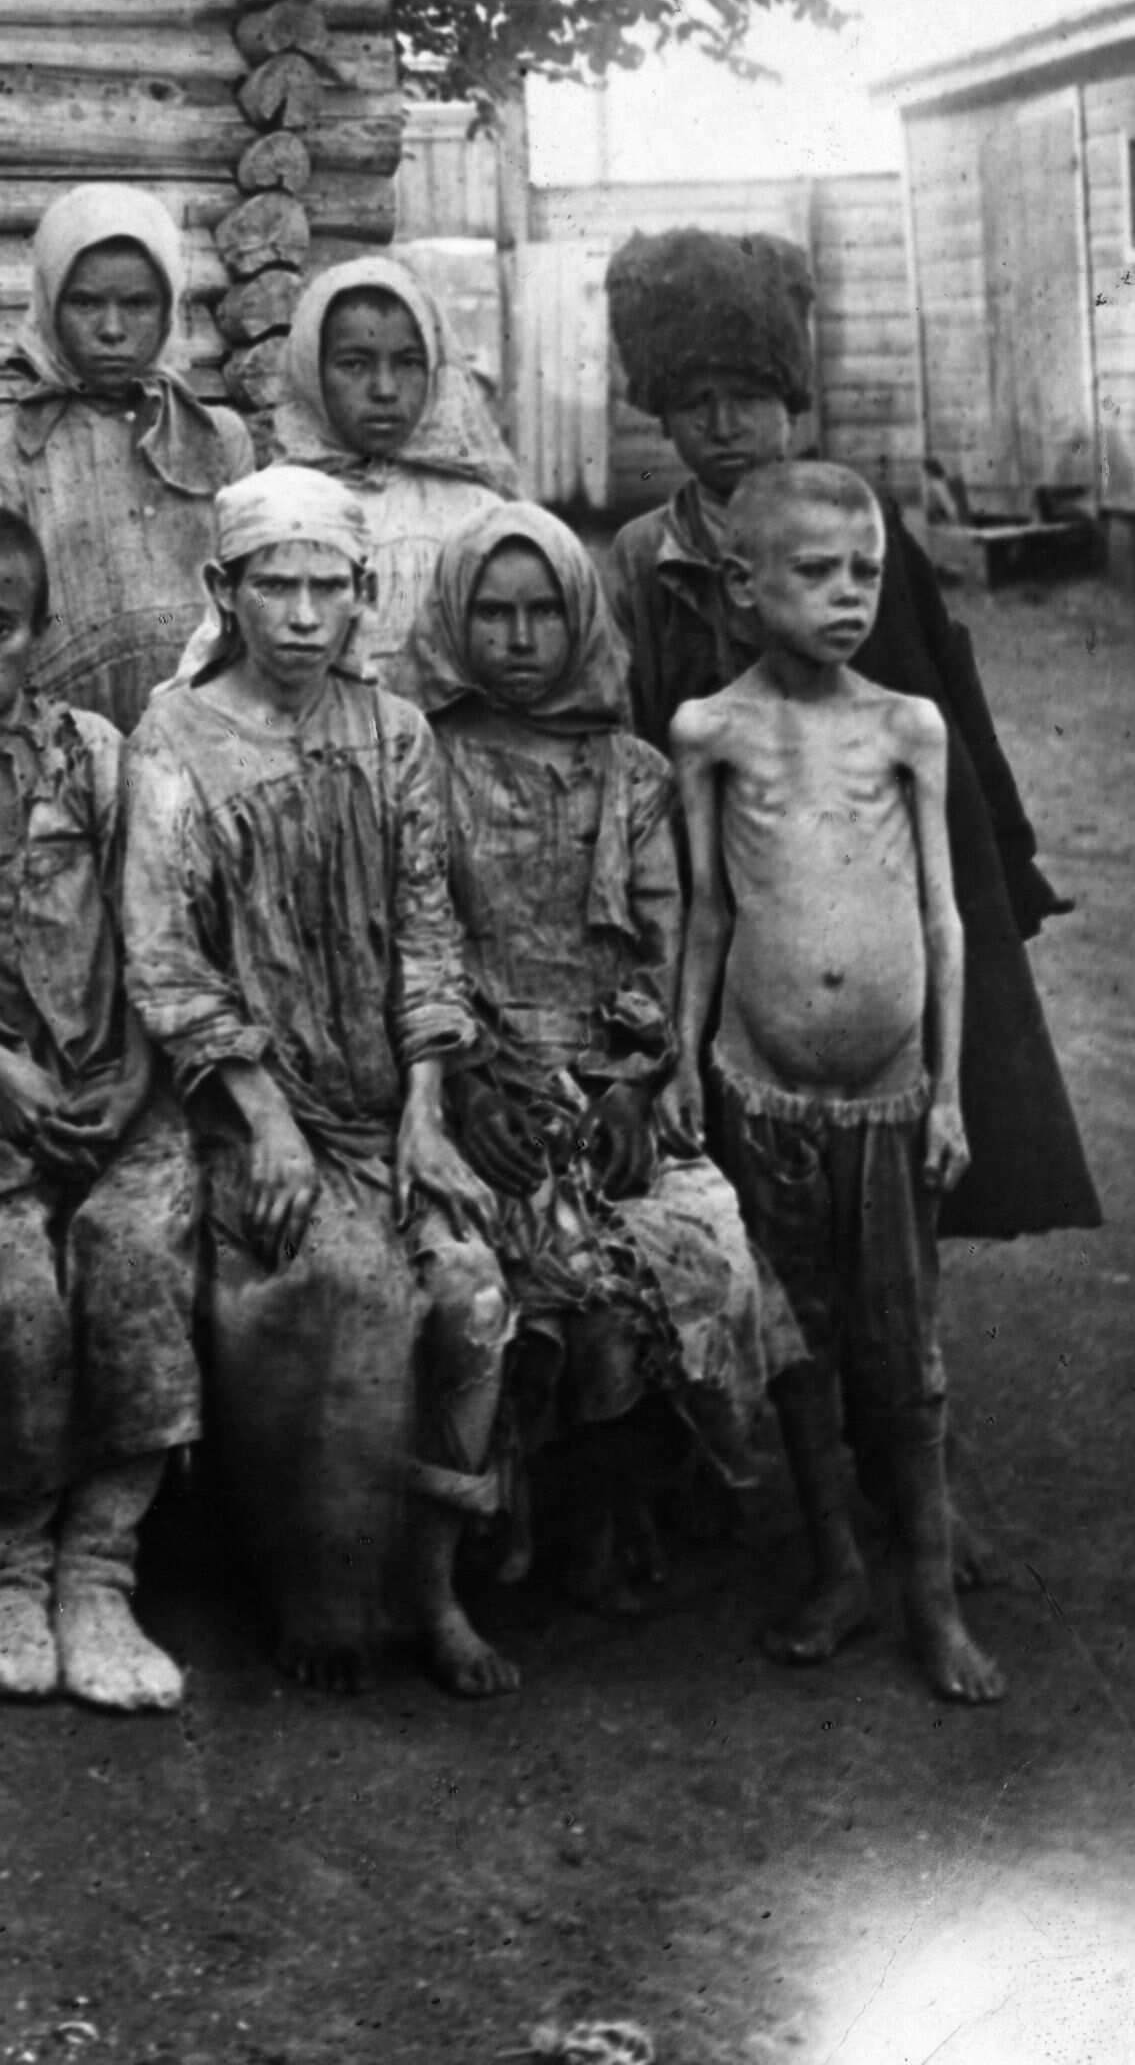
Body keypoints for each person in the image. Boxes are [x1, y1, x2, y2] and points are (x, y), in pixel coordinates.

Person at [598, 228, 1095, 1246]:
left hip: (858, 862)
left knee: (883, 1138)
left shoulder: (854, 536)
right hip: (720, 872)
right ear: (660, 413)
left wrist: (994, 853)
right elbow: (635, 730)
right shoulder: (647, 559)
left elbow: (941, 705)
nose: (723, 422)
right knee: (740, 1131)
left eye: (748, 394)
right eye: (694, 401)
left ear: (792, 400)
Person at [120, 465, 515, 1698]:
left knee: (469, 1290)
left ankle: (430, 1583)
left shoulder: (390, 733)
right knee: (339, 1282)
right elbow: (165, 956)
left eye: (324, 589)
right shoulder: (172, 738)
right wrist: (270, 1128)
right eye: (272, 587)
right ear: (220, 591)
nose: (299, 616)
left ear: (365, 594)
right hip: (240, 1102)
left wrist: (424, 1111)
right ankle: (318, 1582)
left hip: (383, 1095)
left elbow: (423, 927)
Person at [399, 504, 793, 1614]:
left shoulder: (629, 771)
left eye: (541, 612)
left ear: (580, 619)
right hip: (471, 1072)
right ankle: (500, 1527)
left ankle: (610, 1505)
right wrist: (466, 1080)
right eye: (492, 612)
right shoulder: (419, 759)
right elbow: (410, 934)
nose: (517, 637)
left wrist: (636, 1084)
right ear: (451, 617)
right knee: (509, 1269)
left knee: (681, 1251)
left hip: (607, 1072)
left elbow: (663, 944)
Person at [666, 462, 1003, 1704]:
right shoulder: (709, 729)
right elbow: (705, 910)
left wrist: (951, 1092)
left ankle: (929, 1600)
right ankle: (837, 1566)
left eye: (862, 571)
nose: (846, 595)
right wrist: (683, 1063)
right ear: (745, 587)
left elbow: (943, 916)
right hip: (762, 1098)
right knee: (794, 1342)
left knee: (901, 1354)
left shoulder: (904, 725)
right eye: (813, 573)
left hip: (891, 1097)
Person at [0, 497, 199, 1714]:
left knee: (132, 1250)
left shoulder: (98, 754)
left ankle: (100, 1565)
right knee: (7, 1280)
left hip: (116, 1085)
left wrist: (134, 1073)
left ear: (38, 630)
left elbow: (157, 922)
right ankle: (4, 1564)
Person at [0, 185, 255, 731]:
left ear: (168, 309)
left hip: (209, 731)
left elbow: (249, 602)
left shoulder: (216, 440)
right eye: (85, 302)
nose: (112, 329)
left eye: (137, 304)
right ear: (49, 303)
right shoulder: (1, 456)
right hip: (57, 740)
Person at [257, 256, 520, 681]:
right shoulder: (273, 508)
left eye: (407, 363)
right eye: (355, 365)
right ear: (312, 372)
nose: (384, 389)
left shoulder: (478, 513)